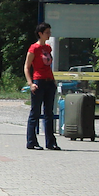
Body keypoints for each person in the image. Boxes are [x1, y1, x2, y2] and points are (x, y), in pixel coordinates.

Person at [24, 22, 61, 150]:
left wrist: (53, 80)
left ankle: (51, 142)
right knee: (35, 112)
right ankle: (31, 141)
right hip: (38, 82)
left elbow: (48, 66)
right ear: (40, 34)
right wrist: (31, 83)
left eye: (49, 32)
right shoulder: (33, 48)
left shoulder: (48, 48)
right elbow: (27, 67)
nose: (49, 34)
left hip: (49, 82)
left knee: (49, 113)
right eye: (47, 32)